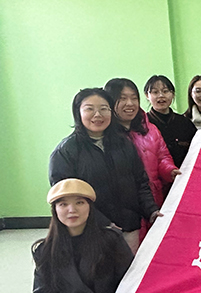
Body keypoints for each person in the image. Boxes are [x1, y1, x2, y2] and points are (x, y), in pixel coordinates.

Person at [49, 88, 160, 254]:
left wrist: (152, 210)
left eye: (103, 109)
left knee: (130, 268)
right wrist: (104, 222)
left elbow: (140, 181)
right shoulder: (66, 152)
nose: (98, 115)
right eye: (89, 109)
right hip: (91, 230)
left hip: (129, 226)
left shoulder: (124, 144)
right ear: (78, 112)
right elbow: (65, 196)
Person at [105, 78, 179, 210]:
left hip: (154, 199)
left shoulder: (150, 129)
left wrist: (170, 171)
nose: (130, 103)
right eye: (122, 99)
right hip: (123, 206)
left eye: (134, 98)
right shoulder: (104, 135)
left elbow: (162, 157)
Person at [144, 75, 196, 168]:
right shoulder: (143, 123)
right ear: (147, 95)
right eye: (155, 92)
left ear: (173, 94)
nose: (161, 95)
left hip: (183, 172)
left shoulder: (185, 123)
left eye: (165, 91)